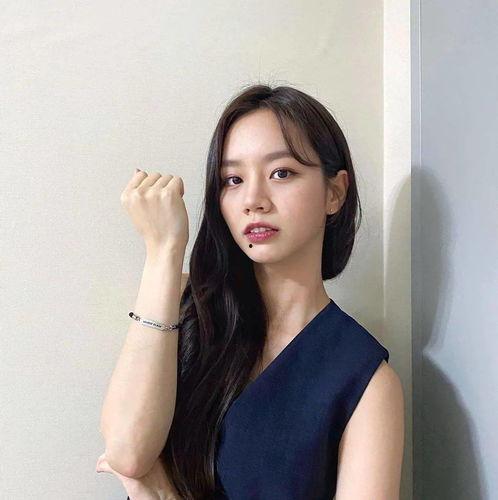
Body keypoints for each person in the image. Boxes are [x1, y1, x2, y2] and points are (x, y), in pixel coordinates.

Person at [97, 84, 405, 499]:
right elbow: (128, 454)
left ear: (334, 192)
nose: (253, 200)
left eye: (281, 173)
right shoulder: (183, 309)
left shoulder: (365, 380)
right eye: (233, 179)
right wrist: (164, 253)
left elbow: (139, 476)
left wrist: (164, 495)